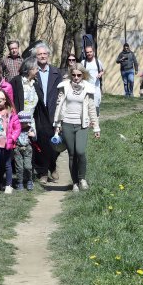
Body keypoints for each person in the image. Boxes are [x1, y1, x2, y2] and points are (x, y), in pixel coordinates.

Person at [53, 63, 100, 191]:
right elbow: (59, 106)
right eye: (73, 75)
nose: (76, 77)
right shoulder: (64, 87)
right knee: (72, 154)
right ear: (70, 75)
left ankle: (82, 178)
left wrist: (96, 127)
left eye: (79, 75)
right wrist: (57, 125)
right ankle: (74, 182)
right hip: (67, 123)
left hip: (82, 124)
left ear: (83, 75)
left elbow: (91, 108)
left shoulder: (88, 88)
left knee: (80, 151)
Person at [33, 43, 63, 183]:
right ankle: (43, 172)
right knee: (40, 142)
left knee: (55, 142)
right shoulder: (32, 72)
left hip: (53, 111)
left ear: (48, 56)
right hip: (38, 112)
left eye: (45, 54)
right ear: (36, 56)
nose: (43, 56)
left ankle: (53, 165)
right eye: (40, 54)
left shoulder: (57, 73)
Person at [9, 58, 40, 189]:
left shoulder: (35, 83)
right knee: (17, 149)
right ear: (29, 69)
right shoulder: (16, 81)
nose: (37, 70)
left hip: (31, 120)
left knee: (30, 148)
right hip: (17, 121)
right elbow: (10, 100)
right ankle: (18, 179)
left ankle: (29, 178)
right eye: (36, 68)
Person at [14, 110, 35, 191]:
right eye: (21, 123)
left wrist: (33, 135)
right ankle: (20, 183)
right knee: (19, 167)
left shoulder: (30, 128)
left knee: (28, 166)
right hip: (17, 149)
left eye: (25, 123)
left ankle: (29, 181)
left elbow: (35, 138)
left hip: (27, 149)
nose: (23, 125)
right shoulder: (16, 128)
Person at [81, 45, 104, 114]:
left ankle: (96, 119)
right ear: (85, 53)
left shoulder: (98, 62)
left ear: (93, 52)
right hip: (86, 87)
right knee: (86, 104)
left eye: (90, 52)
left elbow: (102, 70)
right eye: (87, 52)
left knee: (96, 103)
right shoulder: (83, 62)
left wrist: (100, 74)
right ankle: (87, 120)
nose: (89, 53)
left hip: (96, 87)